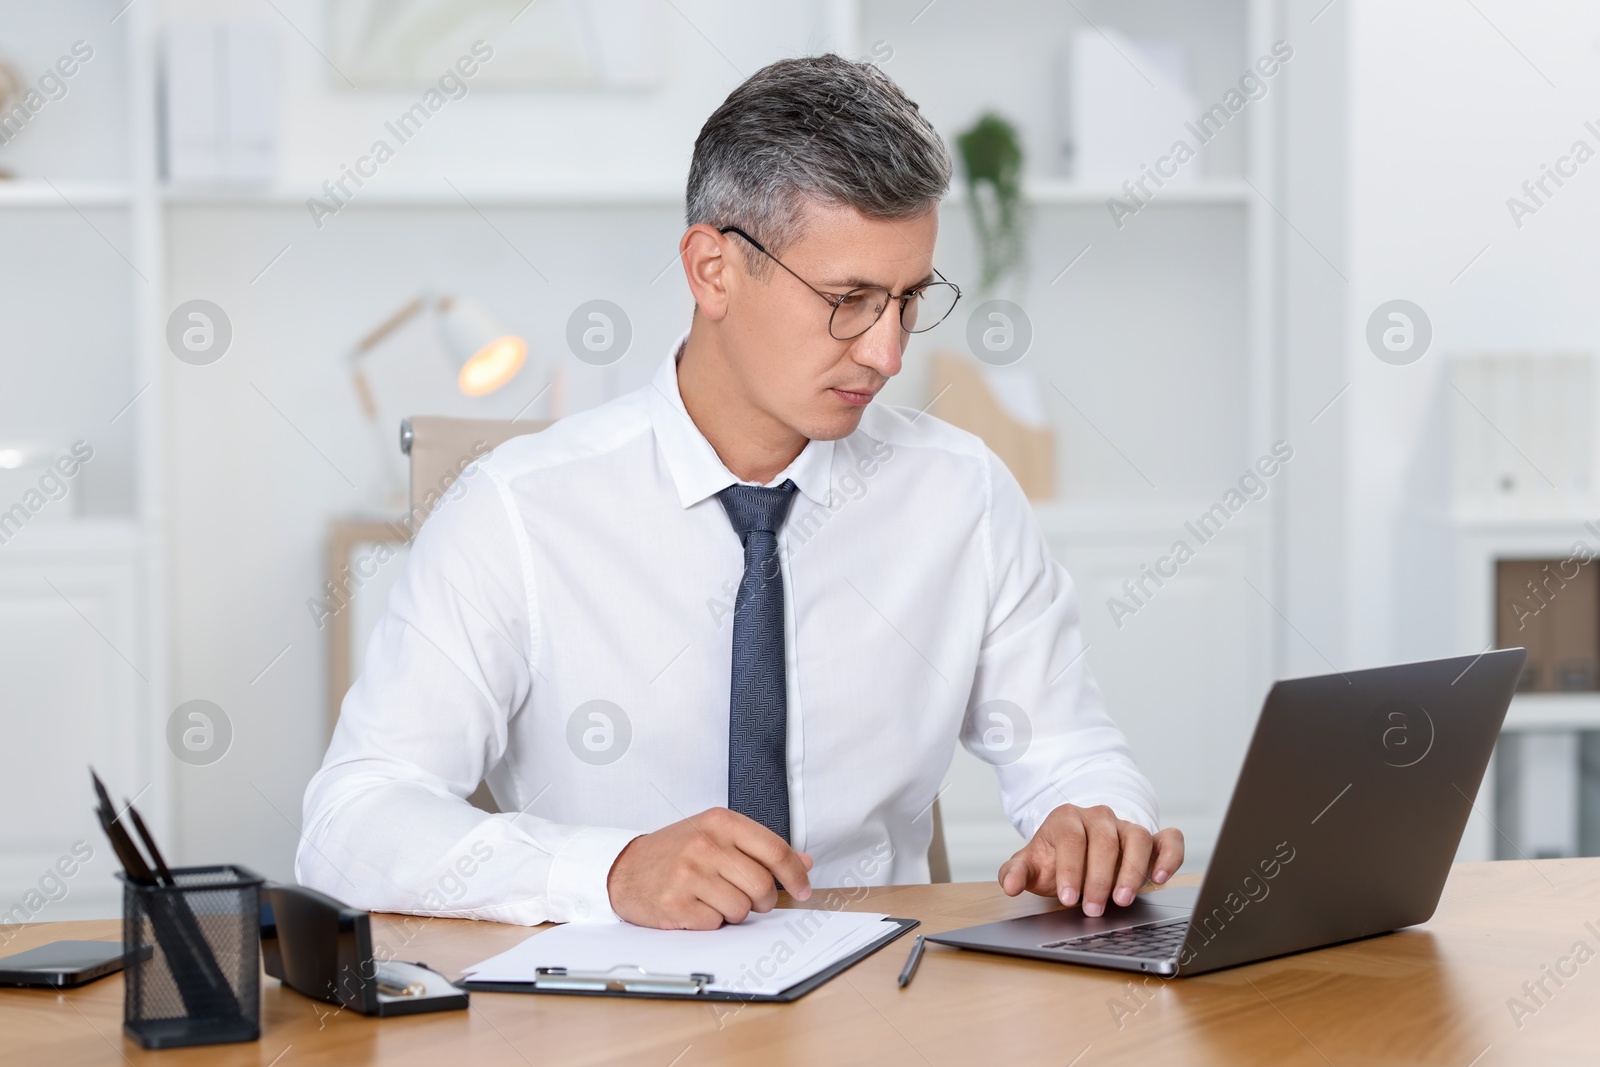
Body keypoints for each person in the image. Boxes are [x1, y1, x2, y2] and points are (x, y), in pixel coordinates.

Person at [298, 53, 1182, 931]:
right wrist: (605, 872)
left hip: (883, 1005)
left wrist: (1093, 821)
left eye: (910, 299)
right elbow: (351, 822)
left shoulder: (963, 497)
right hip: (612, 1013)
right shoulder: (518, 512)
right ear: (712, 269)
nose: (887, 353)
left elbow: (1072, 755)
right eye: (849, 299)